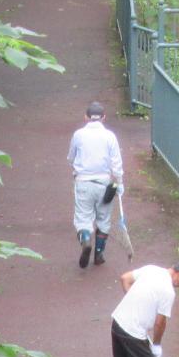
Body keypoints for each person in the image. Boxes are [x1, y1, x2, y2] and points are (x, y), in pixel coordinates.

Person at [65, 101, 123, 270]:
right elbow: (116, 163)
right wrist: (119, 182)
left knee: (83, 217)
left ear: (86, 117)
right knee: (103, 219)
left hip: (83, 181)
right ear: (104, 118)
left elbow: (71, 157)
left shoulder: (78, 135)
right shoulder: (110, 136)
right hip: (104, 183)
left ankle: (85, 240)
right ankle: (98, 253)